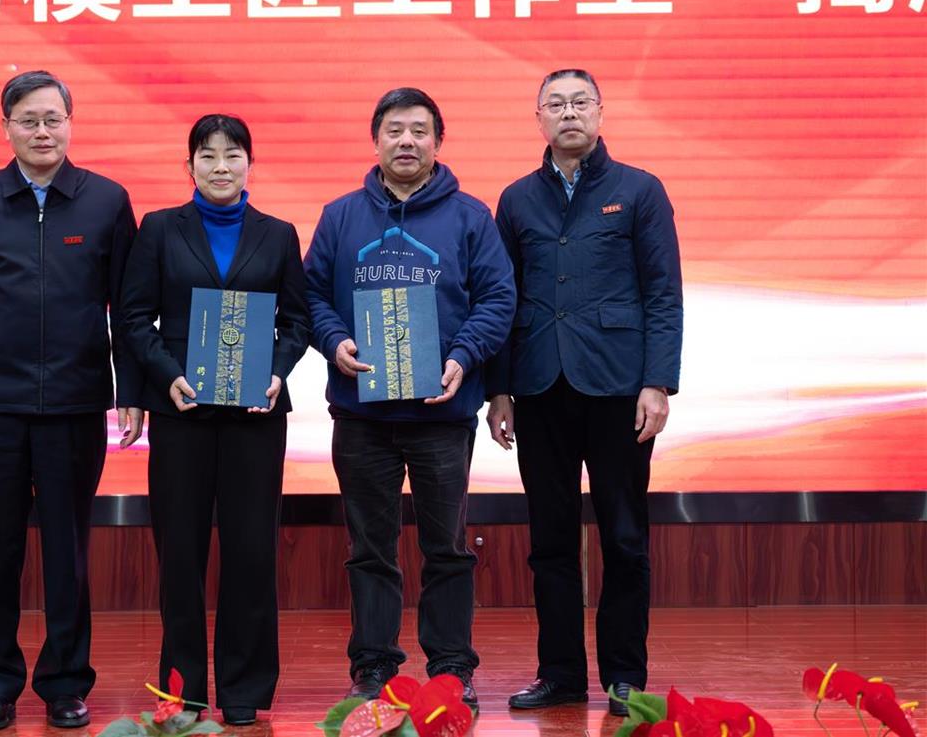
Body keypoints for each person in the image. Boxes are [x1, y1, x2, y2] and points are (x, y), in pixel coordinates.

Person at [0, 70, 143, 730]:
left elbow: (128, 310)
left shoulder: (107, 201)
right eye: (29, 120)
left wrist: (130, 390)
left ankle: (65, 682)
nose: (42, 131)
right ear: (7, 128)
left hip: (76, 404)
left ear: (70, 124)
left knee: (67, 552)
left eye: (53, 118)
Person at [303, 88, 515, 709]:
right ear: (376, 140)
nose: (406, 141)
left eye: (419, 131)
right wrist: (334, 340)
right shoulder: (340, 217)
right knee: (369, 548)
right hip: (361, 414)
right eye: (394, 130)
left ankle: (451, 668)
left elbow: (498, 297)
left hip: (441, 415)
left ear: (437, 143)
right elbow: (310, 294)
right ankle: (372, 666)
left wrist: (463, 356)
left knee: (446, 547)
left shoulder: (471, 217)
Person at [484, 68, 683, 716]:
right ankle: (561, 673)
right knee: (550, 541)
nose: (568, 113)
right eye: (555, 104)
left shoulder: (639, 190)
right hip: (540, 386)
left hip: (618, 386)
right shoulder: (516, 199)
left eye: (579, 102)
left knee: (624, 537)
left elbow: (663, 293)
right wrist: (499, 390)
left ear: (599, 112)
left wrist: (658, 382)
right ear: (539, 118)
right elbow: (503, 298)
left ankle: (625, 676)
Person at [119, 114, 311, 727]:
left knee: (251, 551)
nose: (220, 166)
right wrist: (165, 374)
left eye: (232, 155)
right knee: (180, 554)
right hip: (183, 411)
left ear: (250, 164)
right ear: (189, 166)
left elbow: (298, 321)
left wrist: (277, 371)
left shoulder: (278, 234)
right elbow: (134, 317)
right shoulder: (159, 229)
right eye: (207, 155)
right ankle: (183, 690)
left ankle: (244, 687)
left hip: (256, 414)